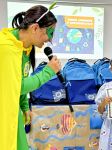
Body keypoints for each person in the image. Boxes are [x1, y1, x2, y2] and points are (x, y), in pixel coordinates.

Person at [0, 4, 61, 150]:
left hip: (12, 111)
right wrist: (48, 72)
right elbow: (16, 87)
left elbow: (19, 78)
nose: (49, 40)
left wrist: (24, 106)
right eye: (49, 32)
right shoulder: (7, 49)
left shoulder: (24, 48)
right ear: (34, 28)